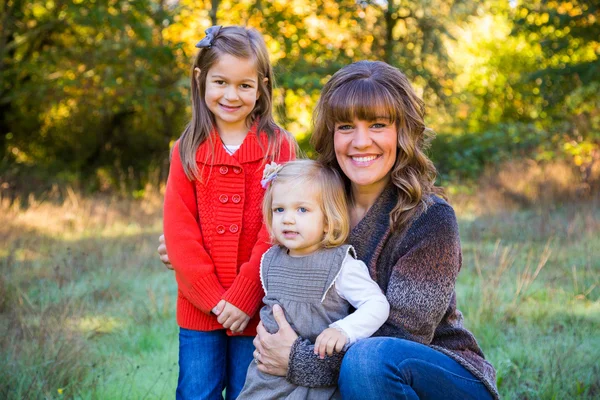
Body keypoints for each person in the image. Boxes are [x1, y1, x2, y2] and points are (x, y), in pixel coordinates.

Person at [160, 60, 500, 399]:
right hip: (348, 378)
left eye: (379, 125)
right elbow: (263, 238)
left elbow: (400, 336)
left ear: (403, 132)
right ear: (330, 133)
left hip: (438, 375)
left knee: (368, 360)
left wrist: (296, 359)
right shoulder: (313, 205)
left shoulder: (430, 219)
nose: (361, 141)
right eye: (346, 126)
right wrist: (183, 249)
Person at [162, 25, 295, 400]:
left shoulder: (279, 147)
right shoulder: (186, 149)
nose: (231, 95)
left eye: (245, 85)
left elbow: (276, 229)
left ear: (262, 86)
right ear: (201, 79)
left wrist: (244, 296)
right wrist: (212, 298)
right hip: (198, 311)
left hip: (256, 311)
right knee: (196, 391)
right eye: (221, 82)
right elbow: (179, 230)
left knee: (249, 392)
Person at [237, 160, 389, 399]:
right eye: (279, 210)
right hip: (266, 380)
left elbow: (377, 305)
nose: (288, 219)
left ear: (328, 219)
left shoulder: (340, 265)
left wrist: (344, 330)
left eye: (302, 210)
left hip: (315, 384)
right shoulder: (270, 260)